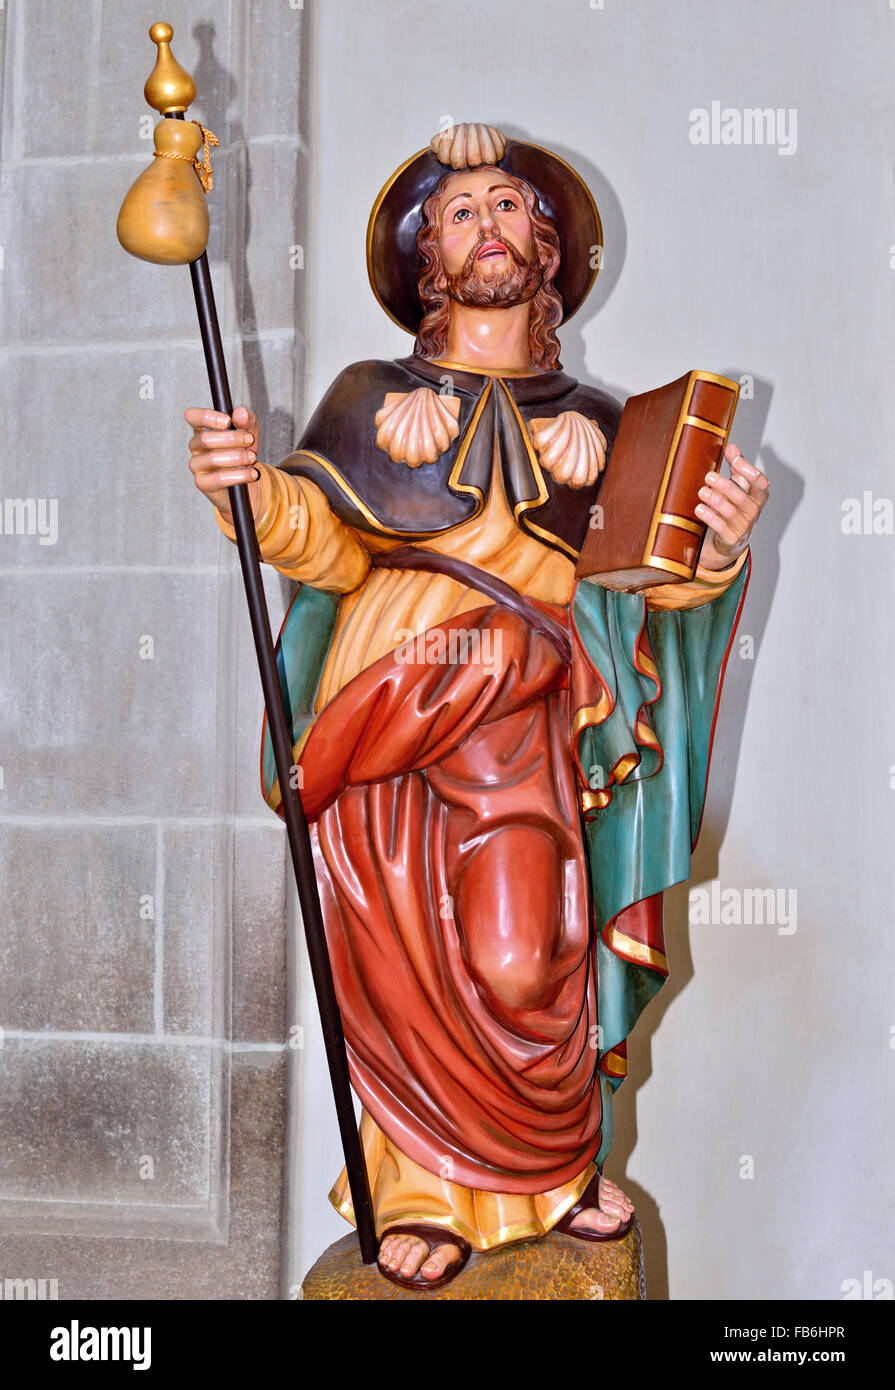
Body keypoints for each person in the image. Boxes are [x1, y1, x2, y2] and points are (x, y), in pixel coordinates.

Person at [185, 124, 768, 1292]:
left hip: (528, 726)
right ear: (427, 263)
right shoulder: (365, 397)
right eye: (460, 211)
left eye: (510, 206)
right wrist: (244, 488)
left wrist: (714, 547)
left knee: (523, 957)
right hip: (391, 714)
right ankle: (416, 1191)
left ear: (546, 252)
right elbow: (318, 545)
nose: (489, 222)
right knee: (403, 966)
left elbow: (649, 598)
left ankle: (552, 1169)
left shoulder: (604, 422)